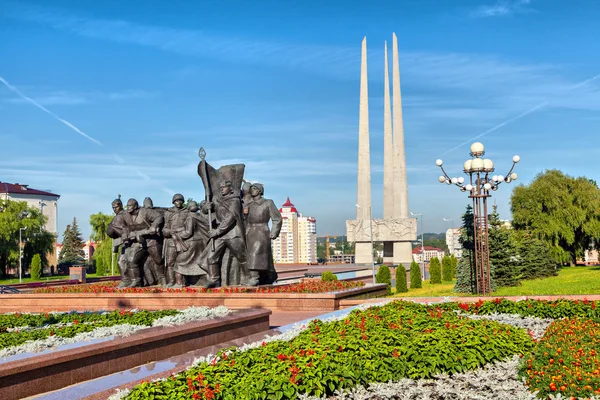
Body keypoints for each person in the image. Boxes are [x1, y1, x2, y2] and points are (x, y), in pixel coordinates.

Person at [204, 180, 247, 288]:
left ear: (230, 189)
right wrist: (207, 207)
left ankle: (249, 277)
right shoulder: (218, 200)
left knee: (242, 257)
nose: (221, 189)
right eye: (220, 187)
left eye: (224, 187)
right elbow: (205, 210)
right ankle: (214, 279)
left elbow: (230, 219)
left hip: (232, 233)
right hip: (220, 234)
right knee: (211, 257)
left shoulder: (235, 201)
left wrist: (217, 231)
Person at [243, 183, 282, 285]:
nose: (252, 190)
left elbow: (277, 218)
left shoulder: (268, 203)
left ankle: (254, 277)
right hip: (250, 231)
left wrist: (274, 232)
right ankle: (270, 274)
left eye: (255, 188)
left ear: (260, 191)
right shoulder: (249, 205)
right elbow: (243, 220)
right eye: (251, 189)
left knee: (256, 253)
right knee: (258, 255)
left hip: (262, 231)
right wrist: (244, 214)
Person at [174, 201, 210, 283]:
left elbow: (188, 233)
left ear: (188, 208)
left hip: (192, 242)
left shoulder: (190, 217)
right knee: (200, 262)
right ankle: (209, 281)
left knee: (179, 262)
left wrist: (178, 235)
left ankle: (179, 284)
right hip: (201, 242)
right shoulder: (199, 216)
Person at [162, 193, 189, 287]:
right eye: (177, 200)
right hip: (171, 241)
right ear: (173, 202)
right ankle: (171, 281)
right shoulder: (168, 213)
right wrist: (169, 232)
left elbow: (189, 226)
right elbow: (165, 228)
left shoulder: (187, 212)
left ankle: (182, 282)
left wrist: (180, 231)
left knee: (182, 262)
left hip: (183, 241)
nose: (179, 202)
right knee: (170, 262)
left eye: (180, 200)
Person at [106, 197, 131, 288]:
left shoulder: (124, 214)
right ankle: (126, 280)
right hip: (123, 242)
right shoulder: (118, 216)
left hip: (128, 241)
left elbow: (127, 228)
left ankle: (126, 280)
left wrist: (113, 228)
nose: (114, 209)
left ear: (120, 206)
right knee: (122, 261)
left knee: (121, 262)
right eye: (113, 208)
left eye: (115, 207)